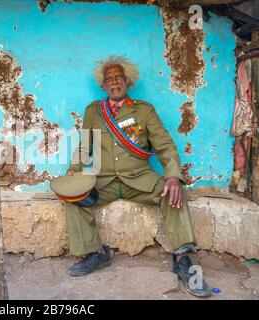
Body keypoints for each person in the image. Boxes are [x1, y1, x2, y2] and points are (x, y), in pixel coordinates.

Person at [64, 56, 211, 297]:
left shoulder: (144, 110)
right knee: (71, 197)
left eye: (118, 77)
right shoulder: (93, 112)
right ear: (103, 85)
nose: (114, 81)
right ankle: (96, 253)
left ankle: (183, 258)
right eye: (109, 78)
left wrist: (173, 176)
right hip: (105, 181)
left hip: (139, 178)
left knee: (174, 192)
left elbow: (164, 145)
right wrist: (74, 170)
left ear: (127, 81)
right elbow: (84, 147)